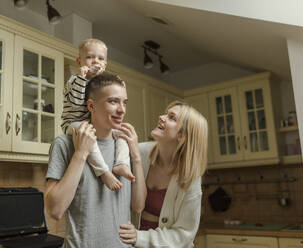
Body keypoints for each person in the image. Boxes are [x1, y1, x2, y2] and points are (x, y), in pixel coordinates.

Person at [45, 74, 146, 248]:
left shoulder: (124, 147)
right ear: (91, 105)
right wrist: (81, 154)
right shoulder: (64, 144)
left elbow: (138, 207)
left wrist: (136, 157)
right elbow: (55, 210)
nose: (122, 110)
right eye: (113, 101)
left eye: (124, 102)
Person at [119, 101, 208, 248]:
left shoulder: (191, 178)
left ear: (182, 135)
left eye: (171, 117)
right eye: (166, 114)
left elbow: (183, 234)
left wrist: (139, 237)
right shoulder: (138, 152)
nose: (161, 117)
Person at [61, 38, 134, 191]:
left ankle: (122, 163)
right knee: (88, 135)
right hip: (74, 123)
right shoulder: (74, 80)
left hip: (90, 123)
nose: (95, 61)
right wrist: (83, 78)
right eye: (89, 57)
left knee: (122, 132)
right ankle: (103, 171)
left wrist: (118, 85)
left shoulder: (99, 84)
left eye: (100, 58)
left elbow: (107, 92)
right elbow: (75, 102)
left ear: (105, 65)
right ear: (79, 62)